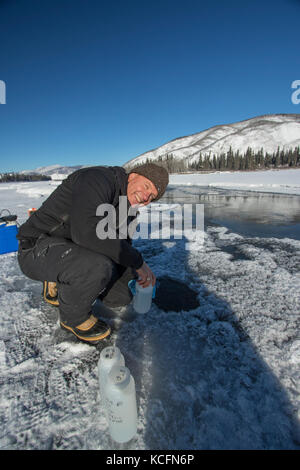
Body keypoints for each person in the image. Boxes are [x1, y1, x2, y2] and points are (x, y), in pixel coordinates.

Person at [17, 163, 169, 344]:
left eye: (152, 196)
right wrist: (138, 262)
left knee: (121, 296)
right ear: (133, 175)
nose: (145, 196)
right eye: (146, 186)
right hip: (38, 247)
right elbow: (86, 232)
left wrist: (133, 274)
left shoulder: (127, 208)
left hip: (75, 249)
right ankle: (73, 318)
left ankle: (68, 277)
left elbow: (121, 246)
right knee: (97, 267)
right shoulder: (97, 178)